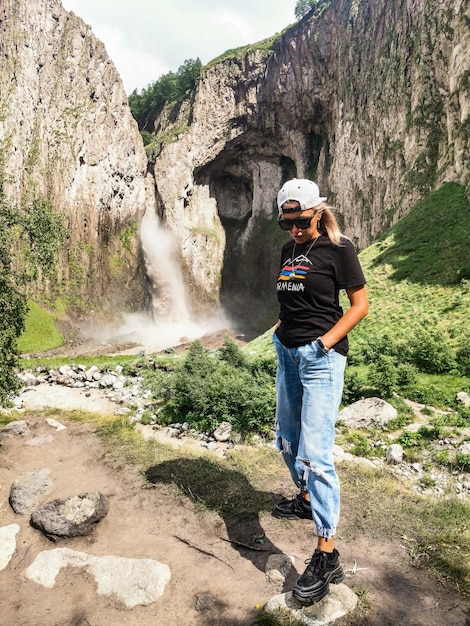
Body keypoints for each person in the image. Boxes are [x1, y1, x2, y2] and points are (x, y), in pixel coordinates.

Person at [273, 178, 368, 604]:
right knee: (287, 440)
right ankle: (307, 497)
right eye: (286, 222)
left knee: (317, 454)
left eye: (300, 220)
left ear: (317, 213)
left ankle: (326, 553)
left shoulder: (340, 248)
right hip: (288, 352)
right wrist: (280, 333)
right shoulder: (288, 249)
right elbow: (291, 298)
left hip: (320, 359)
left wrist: (323, 344)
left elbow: (360, 305)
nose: (294, 229)